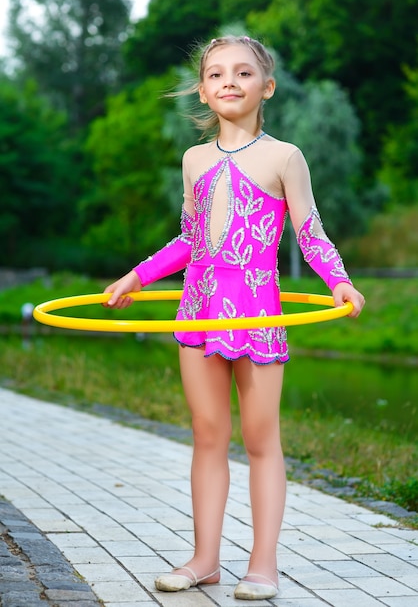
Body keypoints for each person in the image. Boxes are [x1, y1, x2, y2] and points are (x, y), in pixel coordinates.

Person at [104, 35, 365, 601]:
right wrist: (137, 276)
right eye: (217, 74)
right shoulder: (193, 159)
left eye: (244, 73)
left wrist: (340, 281)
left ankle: (263, 565)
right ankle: (205, 560)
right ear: (203, 89)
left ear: (265, 87)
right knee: (207, 435)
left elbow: (311, 232)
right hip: (197, 307)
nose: (229, 81)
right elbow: (189, 239)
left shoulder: (284, 156)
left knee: (260, 437)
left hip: (255, 309)